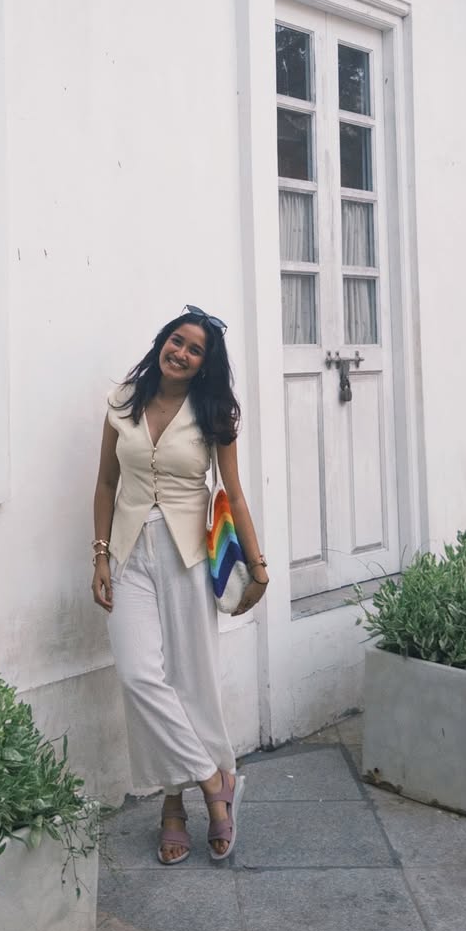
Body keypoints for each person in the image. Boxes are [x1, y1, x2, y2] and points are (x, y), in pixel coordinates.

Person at [91, 305, 268, 865]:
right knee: (141, 676)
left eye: (195, 350)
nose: (182, 353)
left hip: (187, 555)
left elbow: (233, 492)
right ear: (162, 342)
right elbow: (106, 482)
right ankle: (216, 781)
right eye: (177, 341)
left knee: (189, 682)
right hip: (128, 554)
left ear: (203, 364)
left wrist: (258, 566)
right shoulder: (123, 400)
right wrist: (100, 555)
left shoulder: (213, 413)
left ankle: (174, 807)